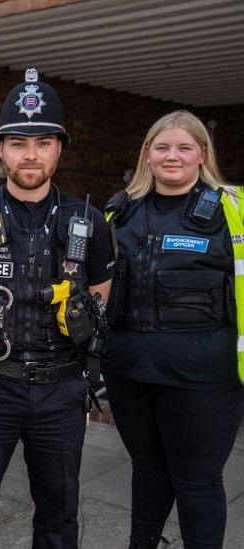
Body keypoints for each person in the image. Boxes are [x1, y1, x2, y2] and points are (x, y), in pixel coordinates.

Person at [0, 69, 115, 549]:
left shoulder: (89, 221)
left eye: (42, 142)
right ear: (0, 149)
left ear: (59, 148)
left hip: (60, 392)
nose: (30, 154)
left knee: (58, 521)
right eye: (18, 142)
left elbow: (103, 293)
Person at [103, 110, 244, 549]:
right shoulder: (118, 210)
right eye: (162, 147)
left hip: (205, 378)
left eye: (185, 147)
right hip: (129, 373)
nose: (172, 156)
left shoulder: (234, 208)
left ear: (203, 153)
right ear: (148, 153)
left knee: (198, 481)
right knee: (147, 470)